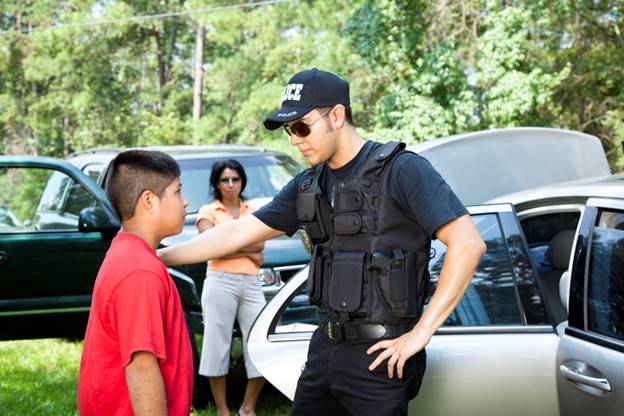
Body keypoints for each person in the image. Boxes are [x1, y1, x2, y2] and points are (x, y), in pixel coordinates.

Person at [159, 68, 486, 416]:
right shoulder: (307, 185)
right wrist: (160, 257)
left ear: (337, 115)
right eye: (289, 131)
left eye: (302, 127)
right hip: (325, 348)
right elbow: (240, 231)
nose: (295, 140)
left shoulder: (402, 170)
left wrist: (420, 334)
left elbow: (467, 244)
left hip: (380, 355)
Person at [77, 150, 193, 416]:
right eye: (177, 192)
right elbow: (141, 367)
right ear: (149, 201)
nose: (185, 202)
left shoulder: (130, 254)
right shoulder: (139, 271)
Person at [196, 160, 266, 416]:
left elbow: (260, 245)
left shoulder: (252, 211)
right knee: (217, 344)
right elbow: (208, 243)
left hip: (250, 283)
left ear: (242, 181)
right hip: (219, 281)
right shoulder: (209, 210)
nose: (230, 185)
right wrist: (247, 249)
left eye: (235, 179)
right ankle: (222, 409)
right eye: (225, 180)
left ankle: (248, 407)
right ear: (216, 183)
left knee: (259, 341)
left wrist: (225, 243)